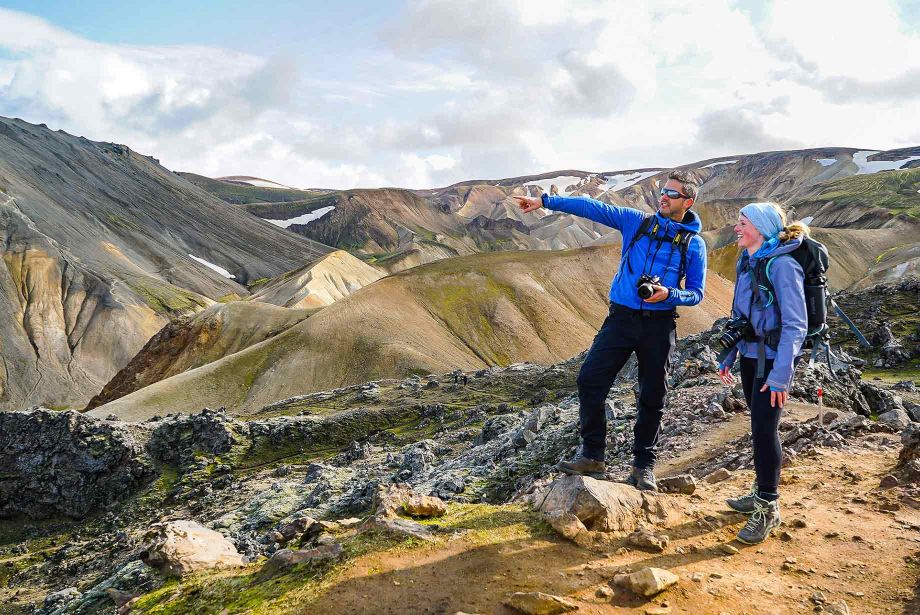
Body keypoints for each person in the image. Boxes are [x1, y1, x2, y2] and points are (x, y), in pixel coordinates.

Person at [513, 170, 707, 491]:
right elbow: (592, 208)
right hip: (620, 319)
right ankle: (592, 456)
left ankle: (643, 466)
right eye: (663, 190)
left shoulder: (693, 244)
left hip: (659, 325)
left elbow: (696, 292)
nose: (664, 197)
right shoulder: (637, 222)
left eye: (672, 194)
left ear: (688, 201)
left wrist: (669, 294)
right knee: (589, 379)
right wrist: (544, 201)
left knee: (652, 395)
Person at [717, 202, 808, 544]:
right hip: (750, 356)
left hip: (772, 361)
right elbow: (738, 316)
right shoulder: (748, 262)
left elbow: (796, 326)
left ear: (761, 227)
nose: (736, 228)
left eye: (742, 222)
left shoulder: (782, 265)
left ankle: (768, 507)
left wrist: (781, 375)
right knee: (757, 424)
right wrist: (729, 354)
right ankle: (759, 495)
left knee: (764, 430)